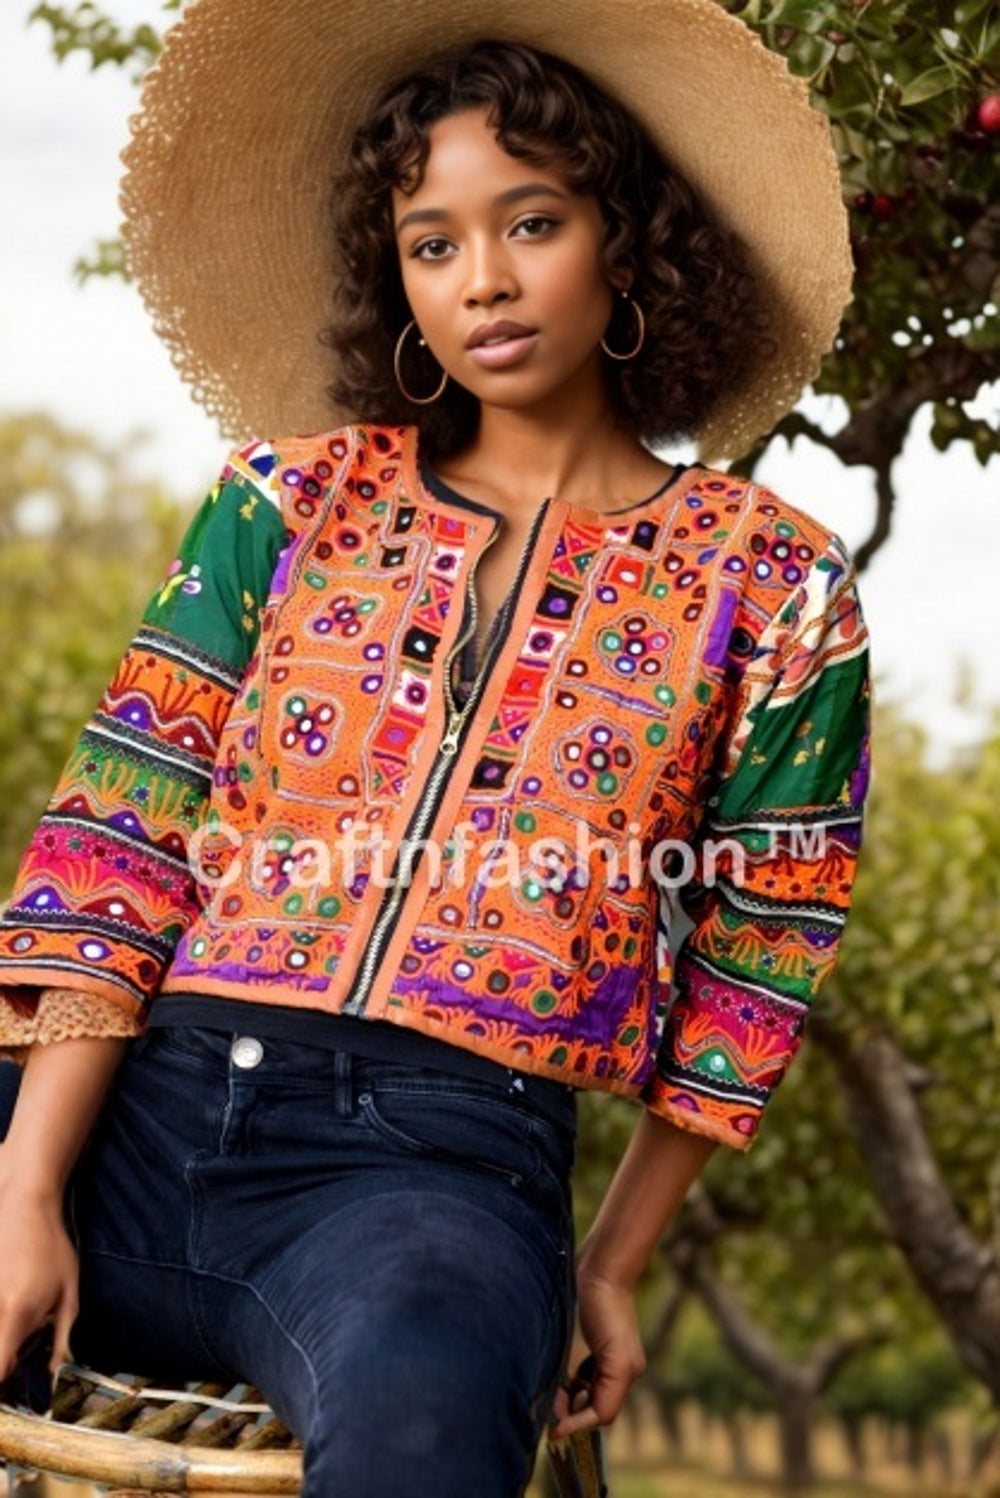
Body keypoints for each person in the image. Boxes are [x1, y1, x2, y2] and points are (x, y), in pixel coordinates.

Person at [0, 1, 872, 1494]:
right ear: (397, 277)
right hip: (131, 1112)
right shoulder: (288, 500)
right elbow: (119, 840)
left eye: (532, 222)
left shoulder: (772, 581)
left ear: (627, 241)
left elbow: (761, 953)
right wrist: (27, 1187)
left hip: (430, 1188)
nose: (484, 281)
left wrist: (611, 1261)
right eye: (432, 242)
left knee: (426, 1436)